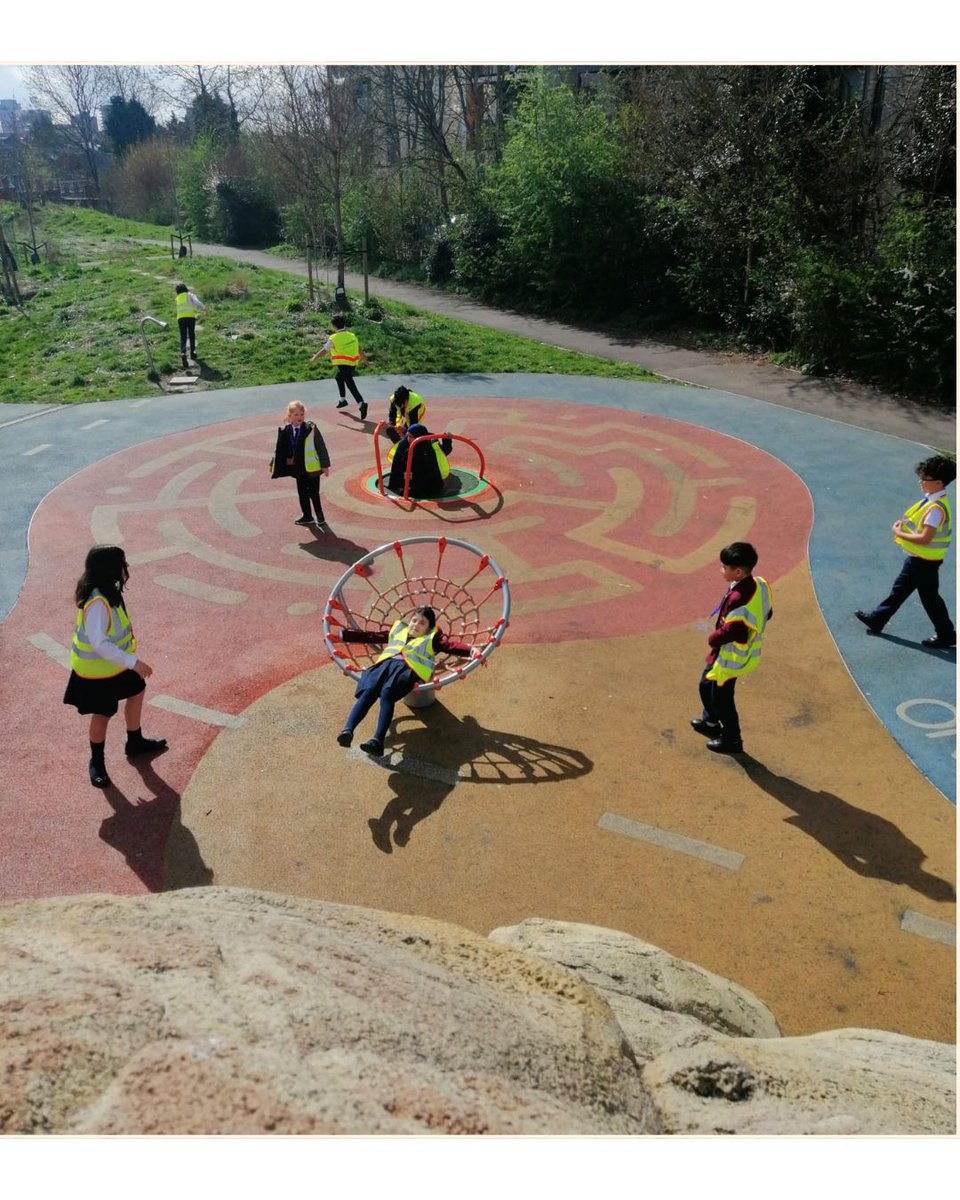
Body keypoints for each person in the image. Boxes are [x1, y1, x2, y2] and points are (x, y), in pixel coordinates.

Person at [63, 545, 167, 789]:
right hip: (97, 672)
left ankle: (134, 741)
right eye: (123, 564)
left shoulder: (110, 591)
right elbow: (99, 643)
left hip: (114, 666)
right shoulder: (98, 603)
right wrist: (133, 662)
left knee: (136, 690)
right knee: (102, 714)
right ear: (110, 569)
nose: (126, 568)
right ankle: (96, 763)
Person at [334, 606, 480, 757]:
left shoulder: (431, 639)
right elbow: (372, 636)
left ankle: (377, 740)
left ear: (429, 628)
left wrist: (470, 650)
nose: (416, 625)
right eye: (414, 621)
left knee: (387, 694)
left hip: (407, 669)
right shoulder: (398, 631)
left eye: (422, 623)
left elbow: (450, 646)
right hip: (384, 664)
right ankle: (347, 730)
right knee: (368, 691)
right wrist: (343, 635)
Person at [855, 455, 956, 649]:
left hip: (925, 561)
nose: (920, 481)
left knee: (929, 598)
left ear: (938, 482)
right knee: (900, 590)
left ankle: (946, 634)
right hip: (918, 559)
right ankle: (878, 618)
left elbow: (926, 538)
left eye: (924, 478)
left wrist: (899, 532)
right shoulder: (932, 500)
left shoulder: (935, 508)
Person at [691, 542, 773, 756]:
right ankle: (710, 721)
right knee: (705, 684)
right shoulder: (758, 584)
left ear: (737, 572)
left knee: (722, 698)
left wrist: (713, 637)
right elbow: (768, 611)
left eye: (724, 567)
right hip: (723, 654)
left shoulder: (739, 598)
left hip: (730, 657)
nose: (721, 570)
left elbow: (734, 631)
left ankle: (732, 739)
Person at [270, 400, 331, 526]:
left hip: (312, 468)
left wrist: (325, 465)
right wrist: (274, 463)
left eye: (302, 414)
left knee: (314, 493)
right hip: (298, 468)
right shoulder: (286, 431)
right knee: (302, 493)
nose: (300, 417)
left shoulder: (311, 428)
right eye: (296, 414)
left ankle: (320, 516)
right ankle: (307, 516)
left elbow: (321, 446)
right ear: (290, 416)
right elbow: (279, 449)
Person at [309, 312, 370, 419]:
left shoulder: (334, 338)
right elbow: (359, 349)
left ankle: (361, 403)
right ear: (343, 324)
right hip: (352, 364)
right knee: (338, 377)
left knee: (350, 384)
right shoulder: (352, 335)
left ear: (334, 326)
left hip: (343, 365)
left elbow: (324, 350)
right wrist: (365, 360)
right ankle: (343, 400)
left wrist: (315, 357)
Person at [387, 423, 452, 499]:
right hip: (409, 475)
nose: (408, 439)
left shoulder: (429, 444)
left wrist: (447, 439)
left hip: (426, 477)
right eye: (408, 436)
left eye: (411, 437)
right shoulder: (404, 444)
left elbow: (443, 452)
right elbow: (398, 463)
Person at [174, 282, 205, 369]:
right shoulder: (190, 295)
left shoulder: (177, 298)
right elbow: (197, 302)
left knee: (183, 337)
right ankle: (193, 353)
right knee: (192, 335)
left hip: (181, 318)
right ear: (186, 288)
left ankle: (183, 352)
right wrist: (204, 308)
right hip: (190, 318)